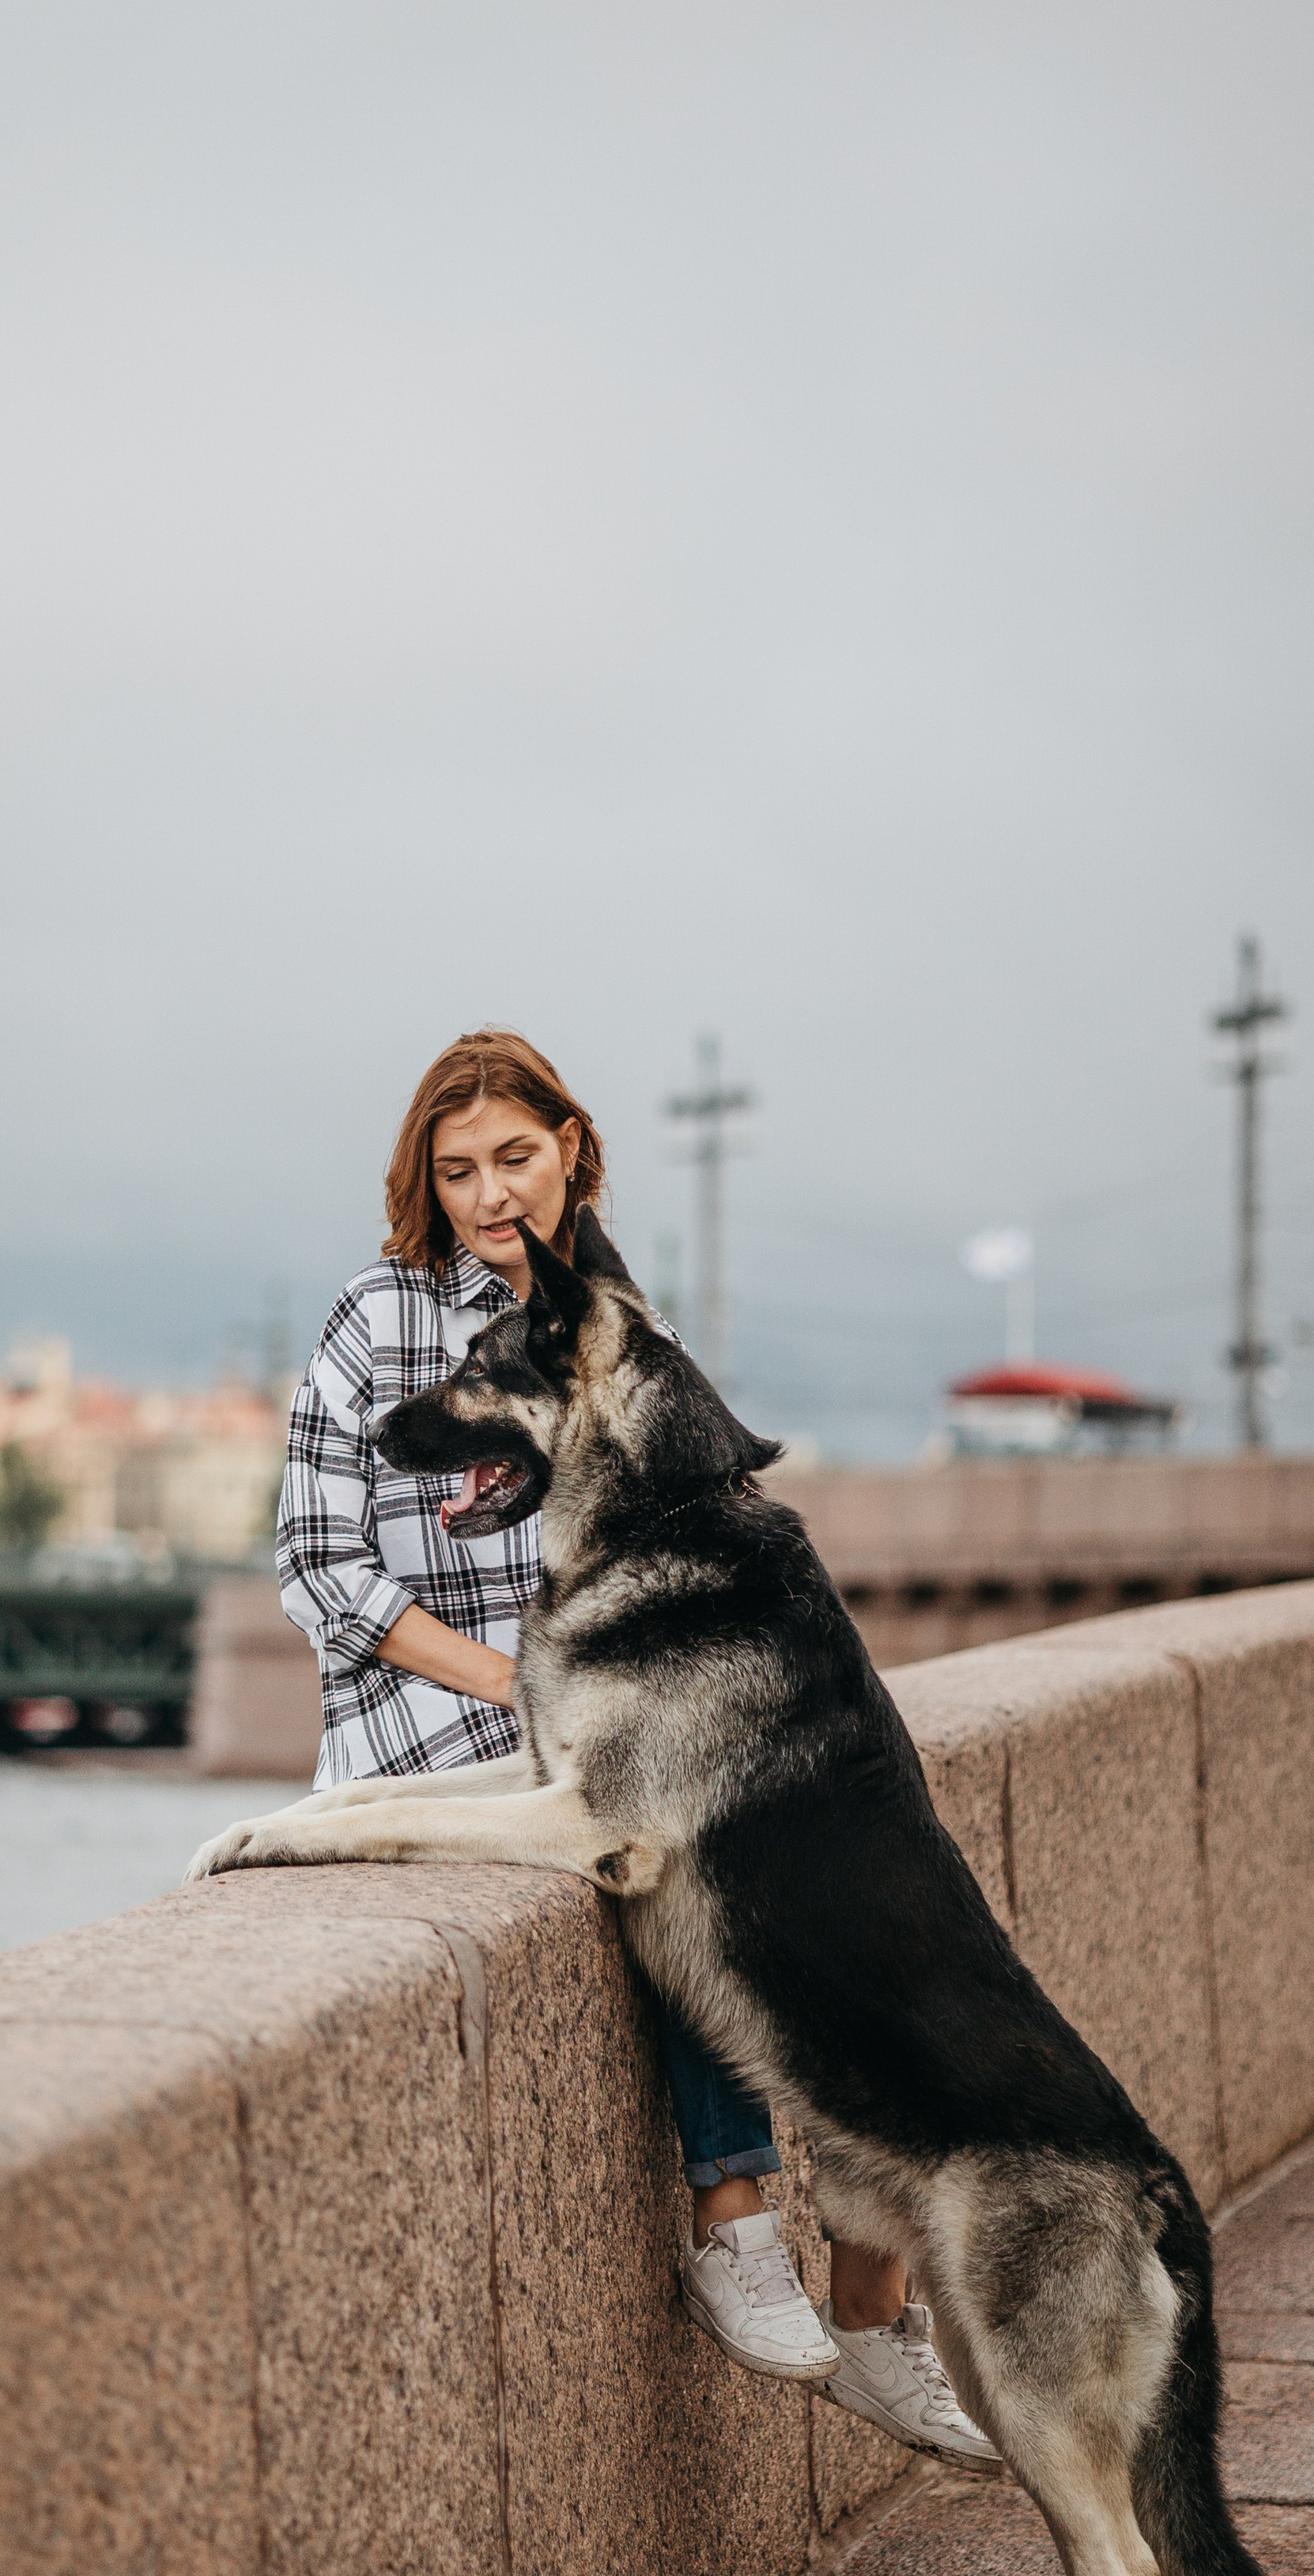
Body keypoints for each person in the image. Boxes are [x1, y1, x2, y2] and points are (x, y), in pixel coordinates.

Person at [276, 1028, 997, 2467]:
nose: (492, 1195)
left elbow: (681, 1543)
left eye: (518, 1160)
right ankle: (734, 2222)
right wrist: (522, 1687)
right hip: (438, 1732)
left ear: (572, 1153)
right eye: (460, 1168)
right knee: (674, 1863)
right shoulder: (378, 1320)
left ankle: (873, 2309)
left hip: (598, 1716)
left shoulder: (614, 1319)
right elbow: (318, 1567)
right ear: (427, 1181)